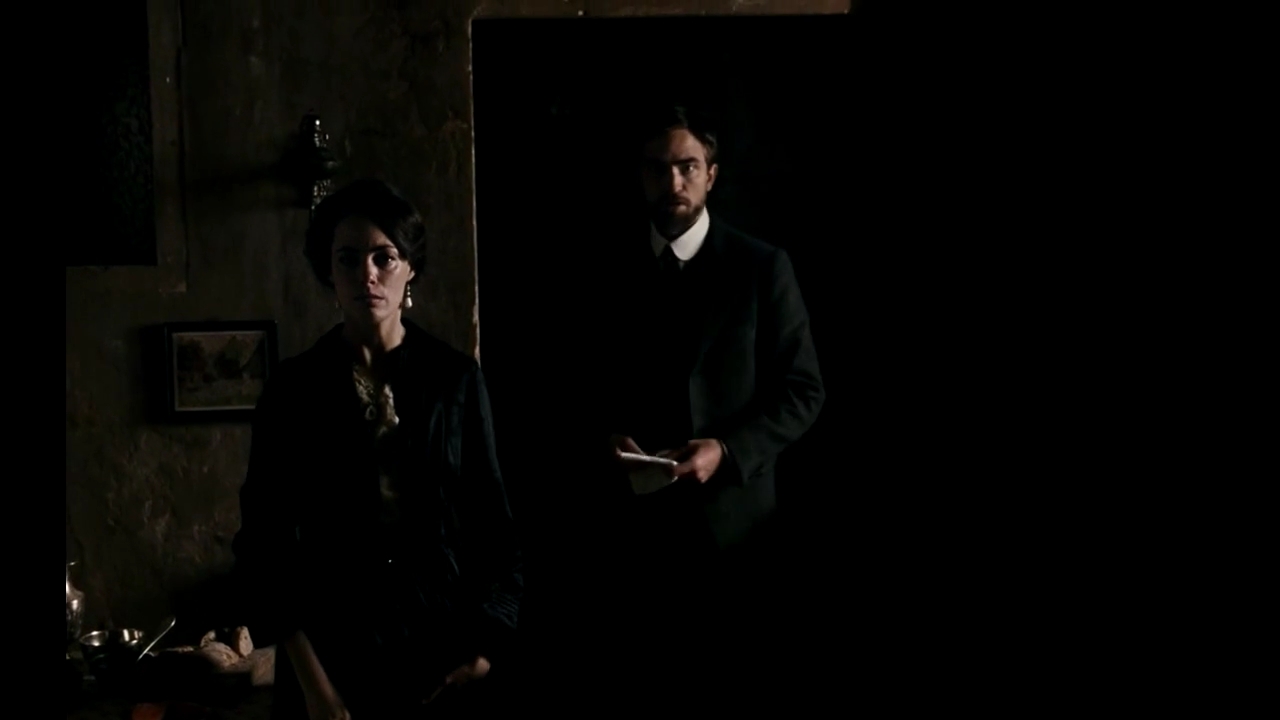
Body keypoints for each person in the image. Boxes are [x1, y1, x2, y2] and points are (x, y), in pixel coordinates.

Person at [231, 178, 522, 719]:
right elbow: (264, 546)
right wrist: (315, 688)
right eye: (348, 259)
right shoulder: (293, 389)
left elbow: (495, 528)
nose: (367, 274)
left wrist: (482, 651)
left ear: (409, 268)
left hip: (439, 652)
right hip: (329, 654)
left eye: (383, 257)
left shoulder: (455, 380)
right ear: (329, 272)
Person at [591, 105, 825, 709]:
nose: (673, 182)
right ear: (640, 176)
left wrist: (726, 450)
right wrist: (606, 438)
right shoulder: (606, 270)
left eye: (687, 167)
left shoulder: (762, 267)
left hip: (737, 537)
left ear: (711, 175)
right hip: (632, 540)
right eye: (657, 169)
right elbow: (580, 385)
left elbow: (804, 391)